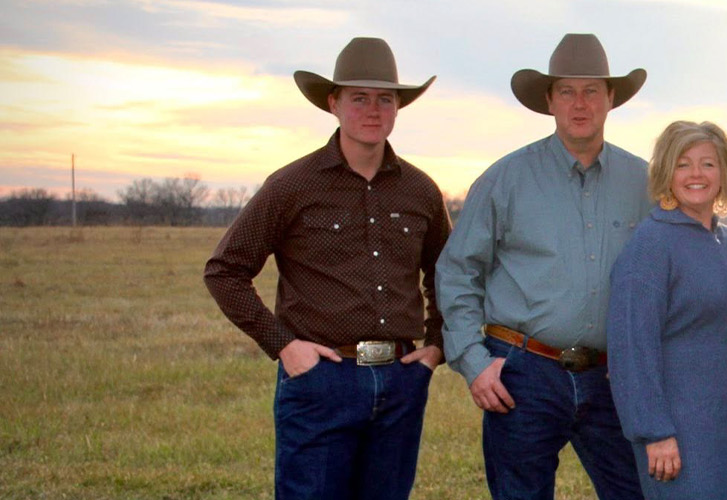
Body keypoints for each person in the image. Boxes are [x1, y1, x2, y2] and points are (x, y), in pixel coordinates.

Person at [203, 37, 448, 499]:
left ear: (398, 108)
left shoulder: (420, 191)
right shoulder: (292, 186)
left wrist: (435, 348)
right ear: (333, 103)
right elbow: (225, 271)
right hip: (322, 380)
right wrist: (285, 347)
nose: (373, 110)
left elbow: (447, 277)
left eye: (385, 99)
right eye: (359, 98)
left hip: (400, 381)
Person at [437, 33, 649, 500]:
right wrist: (474, 362)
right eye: (567, 91)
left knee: (639, 493)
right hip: (524, 372)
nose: (580, 103)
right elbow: (457, 272)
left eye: (592, 90)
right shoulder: (505, 178)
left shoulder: (643, 181)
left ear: (611, 98)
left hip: (613, 379)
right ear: (549, 100)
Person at [605, 121, 727, 499]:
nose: (696, 175)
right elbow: (631, 347)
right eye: (683, 164)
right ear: (666, 173)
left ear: (724, 173)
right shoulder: (651, 244)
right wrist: (654, 432)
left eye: (708, 164)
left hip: (721, 420)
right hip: (673, 425)